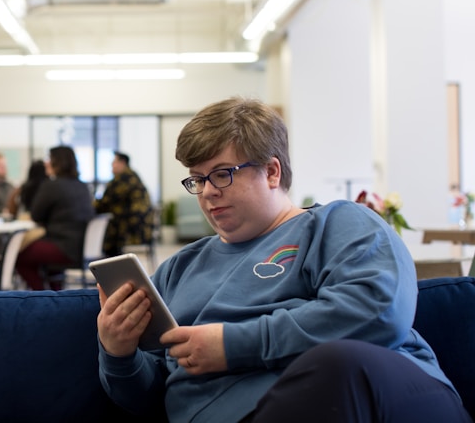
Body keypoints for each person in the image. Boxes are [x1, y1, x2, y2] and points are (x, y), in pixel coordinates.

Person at [96, 97, 470, 422]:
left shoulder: (337, 224)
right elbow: (150, 398)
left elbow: (378, 311)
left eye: (222, 174)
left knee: (334, 365)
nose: (208, 192)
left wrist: (232, 345)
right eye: (197, 179)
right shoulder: (178, 269)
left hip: (375, 395)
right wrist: (119, 353)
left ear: (272, 171)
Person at [15, 146, 94, 290]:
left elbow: (36, 215)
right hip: (82, 247)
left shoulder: (52, 185)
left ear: (57, 162)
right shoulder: (82, 186)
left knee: (17, 256)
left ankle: (42, 295)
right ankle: (55, 293)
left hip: (64, 248)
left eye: (49, 159)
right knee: (45, 254)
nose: (46, 163)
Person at [94, 151, 153, 257]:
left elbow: (104, 203)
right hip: (140, 227)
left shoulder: (123, 179)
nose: (111, 165)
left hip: (132, 229)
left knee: (103, 225)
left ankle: (109, 263)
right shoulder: (132, 176)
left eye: (114, 162)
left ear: (122, 163)